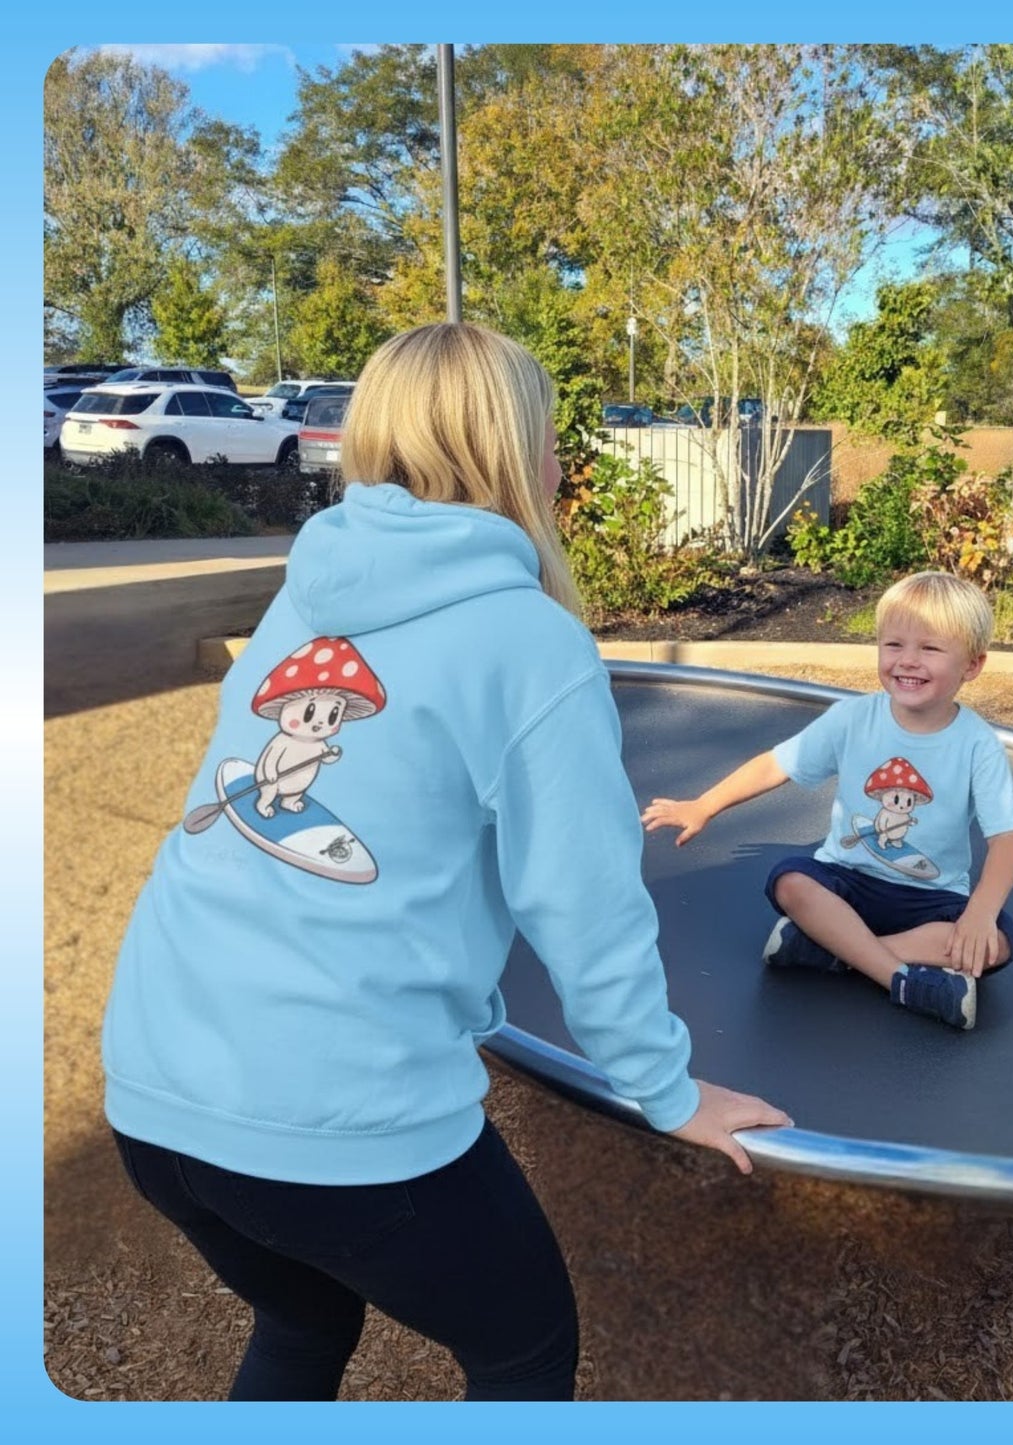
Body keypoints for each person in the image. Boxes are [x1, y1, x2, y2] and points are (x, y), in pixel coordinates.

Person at [101, 321, 790, 1403]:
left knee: (300, 1313)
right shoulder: (526, 641)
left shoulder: (305, 591)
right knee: (522, 1352)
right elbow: (584, 905)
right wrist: (665, 1088)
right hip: (330, 1108)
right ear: (518, 451)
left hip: (153, 1085)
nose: (563, 458)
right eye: (553, 436)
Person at [642, 571, 1013, 1031]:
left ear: (972, 665)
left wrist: (980, 914)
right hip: (848, 881)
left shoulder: (977, 744)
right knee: (790, 881)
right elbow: (776, 764)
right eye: (894, 645)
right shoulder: (851, 719)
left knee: (1001, 940)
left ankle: (833, 949)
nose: (908, 661)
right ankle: (900, 979)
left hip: (931, 896)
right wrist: (704, 804)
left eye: (930, 649)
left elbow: (1008, 840)